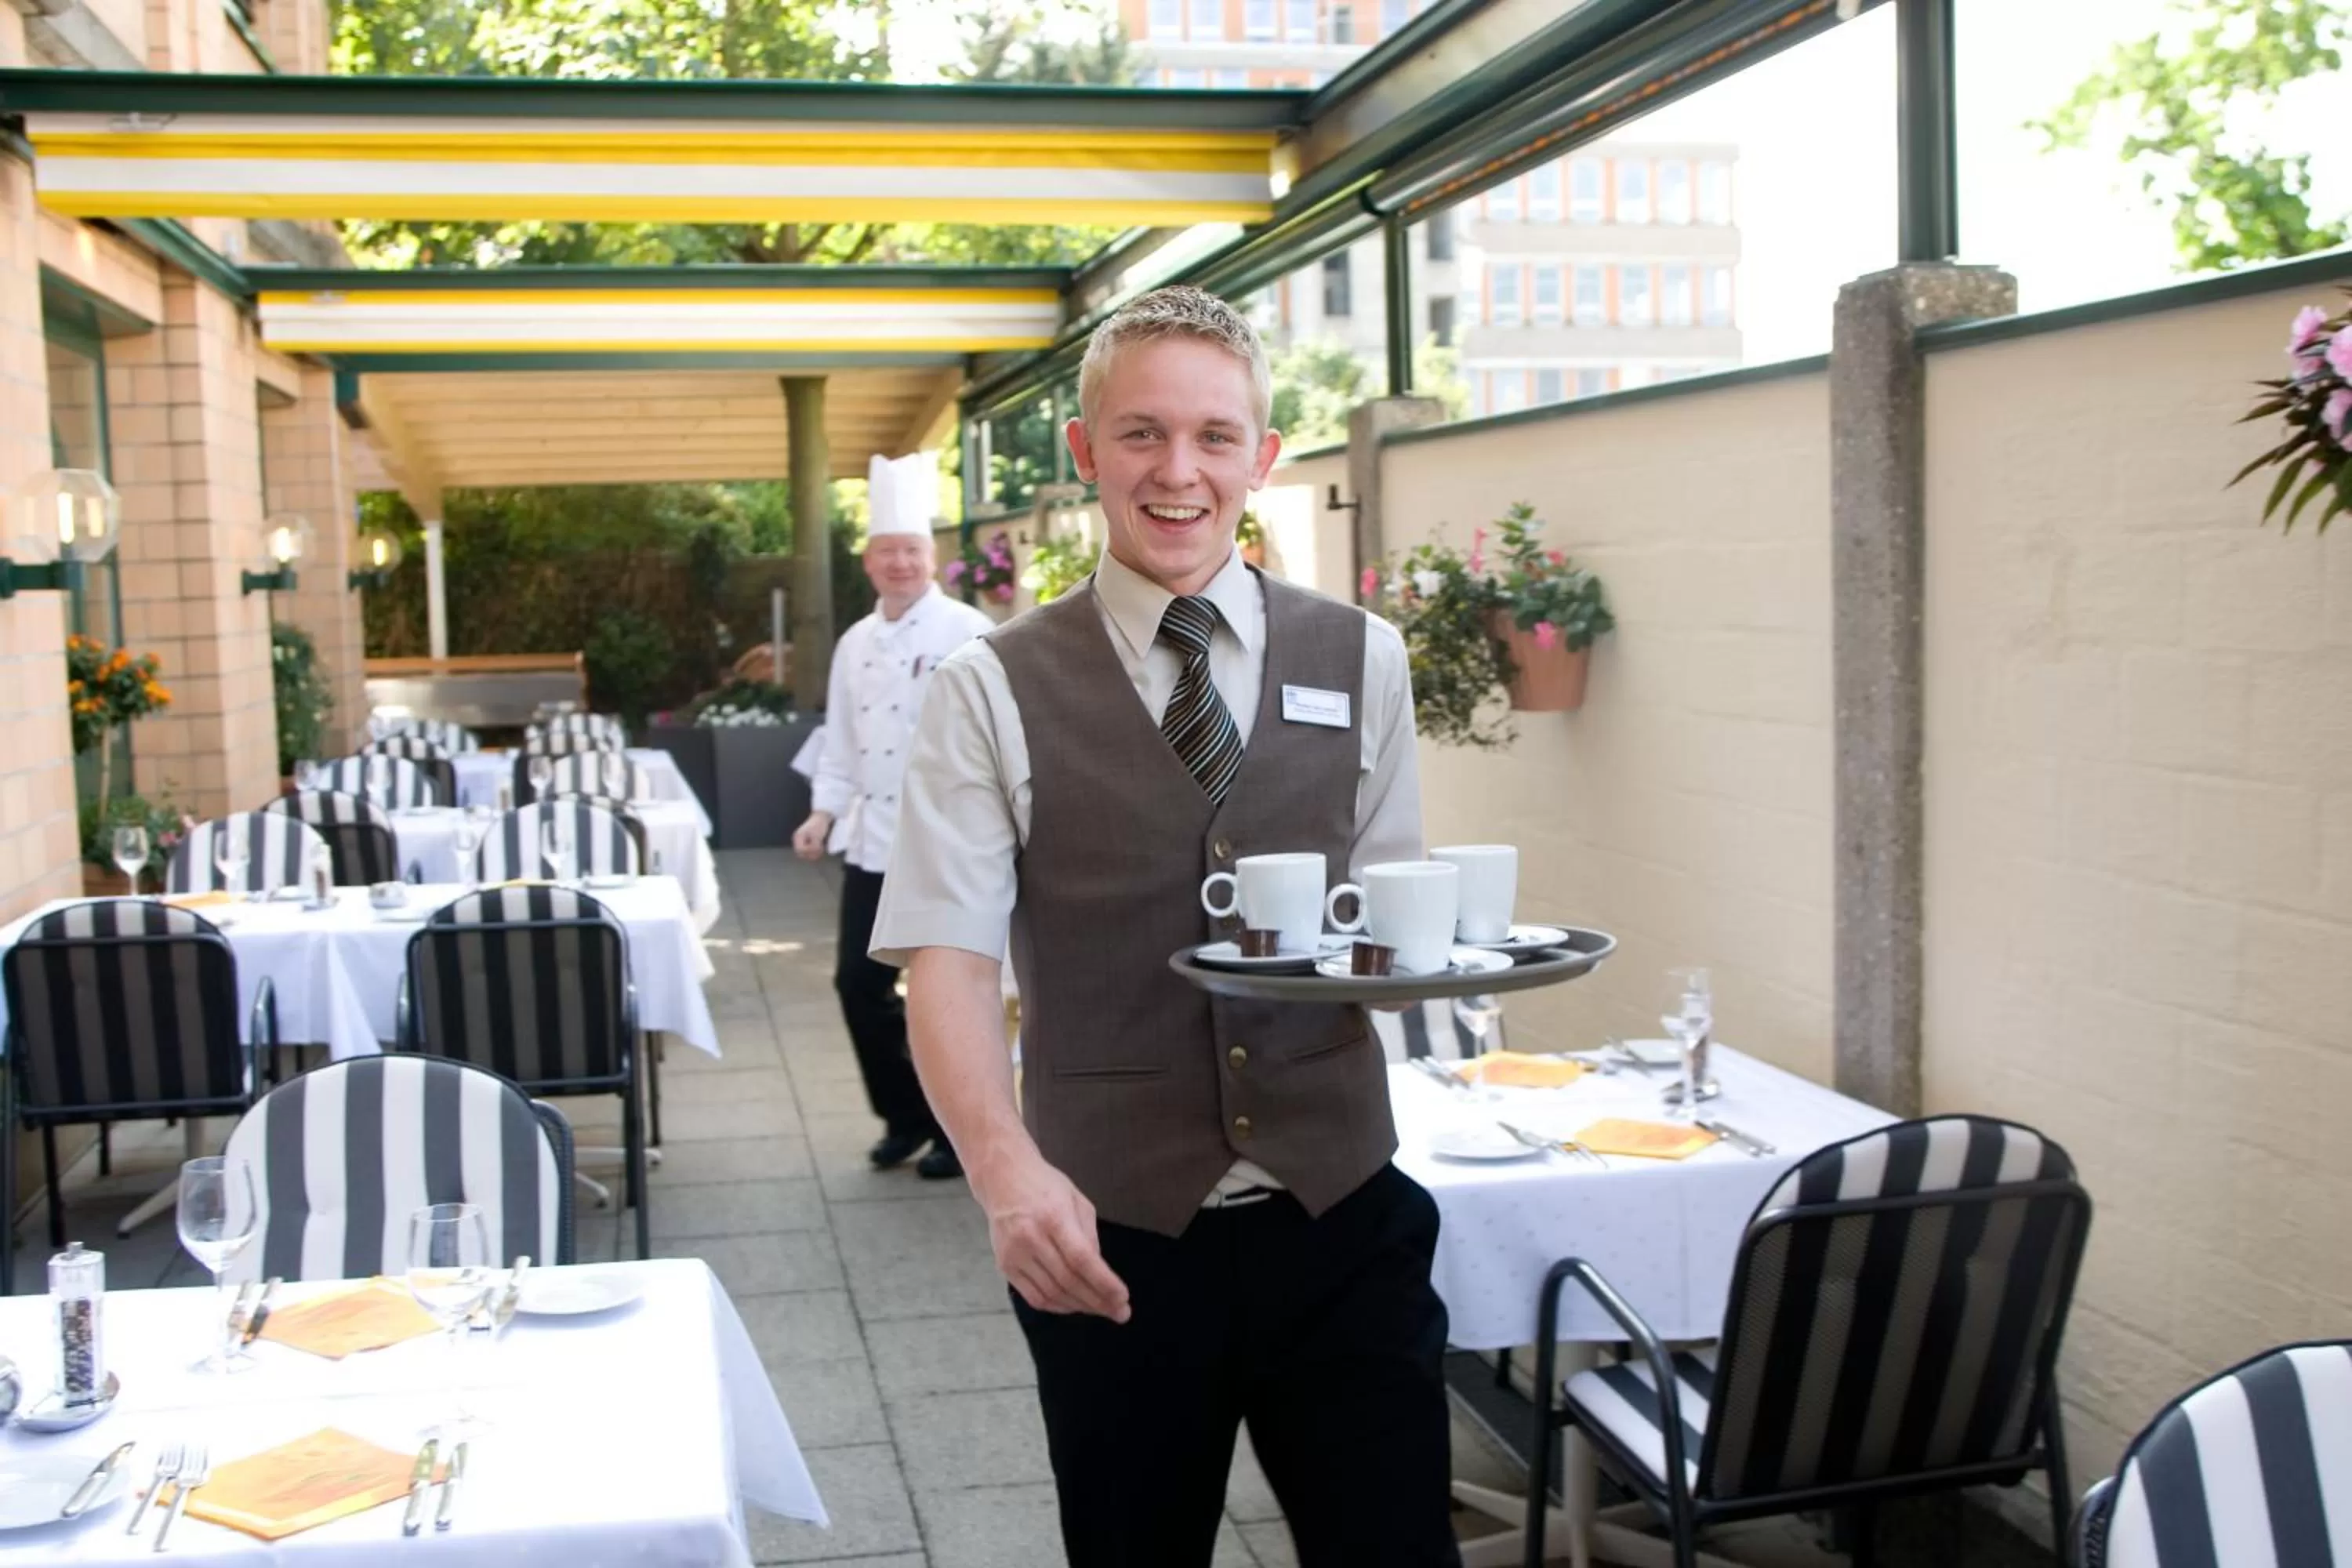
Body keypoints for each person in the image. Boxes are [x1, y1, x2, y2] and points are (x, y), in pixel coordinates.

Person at [872, 286, 1457, 1566]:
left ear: (1263, 456)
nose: (1178, 470)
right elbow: (948, 963)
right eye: (1140, 434)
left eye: (1211, 436)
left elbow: (1393, 919)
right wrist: (1006, 1177)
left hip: (1342, 1214)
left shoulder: (1365, 658)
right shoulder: (991, 688)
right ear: (1084, 455)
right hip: (1112, 1236)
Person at [794, 452, 993, 1181]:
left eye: (912, 550)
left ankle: (957, 1133)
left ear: (931, 557)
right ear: (870, 562)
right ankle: (905, 1114)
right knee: (857, 983)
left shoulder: (967, 629)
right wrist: (822, 813)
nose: (901, 563)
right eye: (887, 552)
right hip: (873, 843)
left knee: (944, 996)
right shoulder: (855, 642)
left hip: (945, 848)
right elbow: (842, 740)